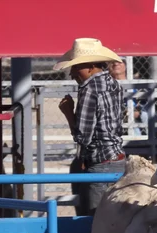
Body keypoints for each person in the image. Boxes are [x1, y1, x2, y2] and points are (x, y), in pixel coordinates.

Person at [54, 38, 125, 217]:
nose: (72, 73)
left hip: (100, 163)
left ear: (91, 66)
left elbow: (82, 136)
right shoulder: (113, 83)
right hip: (117, 158)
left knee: (93, 221)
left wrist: (69, 113)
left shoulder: (89, 89)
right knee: (113, 220)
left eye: (76, 67)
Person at [109, 58, 148, 136]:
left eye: (120, 62)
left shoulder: (134, 82)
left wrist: (137, 110)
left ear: (126, 65)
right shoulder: (107, 83)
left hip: (136, 111)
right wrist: (126, 112)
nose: (116, 64)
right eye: (113, 62)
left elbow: (143, 101)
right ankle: (137, 142)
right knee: (131, 122)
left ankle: (154, 140)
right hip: (119, 113)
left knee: (145, 114)